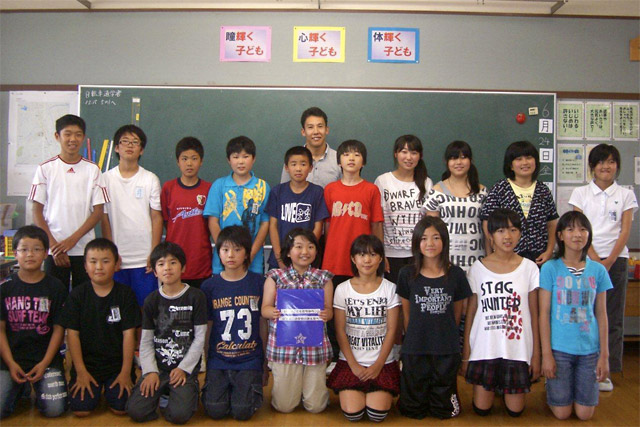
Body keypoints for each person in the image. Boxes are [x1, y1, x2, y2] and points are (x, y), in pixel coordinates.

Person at [568, 144, 638, 391]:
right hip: (586, 259)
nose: (605, 167)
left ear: (617, 166)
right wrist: (595, 259)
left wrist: (608, 261)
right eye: (600, 162)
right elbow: (577, 229)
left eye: (610, 162)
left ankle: (607, 371)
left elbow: (625, 231)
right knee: (582, 315)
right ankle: (581, 366)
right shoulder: (580, 193)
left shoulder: (626, 194)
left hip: (616, 261)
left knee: (613, 316)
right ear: (592, 167)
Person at [463, 208, 541, 417]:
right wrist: (466, 352)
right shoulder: (477, 268)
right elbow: (471, 312)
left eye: (513, 230)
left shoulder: (529, 268)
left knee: (515, 411)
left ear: (520, 233)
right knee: (481, 409)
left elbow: (534, 314)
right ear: (490, 235)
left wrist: (536, 355)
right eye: (501, 231)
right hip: (485, 348)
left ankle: (503, 390)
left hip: (517, 349)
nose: (507, 236)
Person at [396, 216, 471, 419]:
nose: (430, 243)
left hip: (445, 347)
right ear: (416, 242)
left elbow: (457, 314)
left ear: (444, 241)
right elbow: (406, 314)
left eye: (436, 237)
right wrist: (410, 340)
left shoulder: (456, 274)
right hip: (415, 346)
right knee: (412, 409)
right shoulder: (406, 273)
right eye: (424, 238)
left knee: (444, 410)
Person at [539, 211, 612, 420]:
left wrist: (604, 356)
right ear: (560, 235)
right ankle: (552, 388)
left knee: (584, 414)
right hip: (559, 349)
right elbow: (544, 314)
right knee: (562, 414)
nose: (577, 234)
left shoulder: (598, 270)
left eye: (582, 229)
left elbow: (602, 314)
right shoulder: (550, 268)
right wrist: (546, 355)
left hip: (589, 350)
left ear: (589, 234)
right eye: (570, 229)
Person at [126, 242, 207, 424]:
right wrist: (150, 371)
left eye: (173, 262)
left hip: (184, 369)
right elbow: (146, 341)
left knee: (178, 415)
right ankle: (164, 393)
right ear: (155, 271)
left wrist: (184, 368)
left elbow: (200, 337)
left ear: (183, 267)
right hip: (159, 368)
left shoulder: (196, 297)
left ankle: (179, 394)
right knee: (135, 411)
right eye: (161, 264)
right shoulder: (151, 300)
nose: (167, 268)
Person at [59, 238, 141, 417]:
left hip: (117, 366)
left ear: (117, 264)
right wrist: (81, 372)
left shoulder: (125, 294)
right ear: (85, 266)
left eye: (105, 261)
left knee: (121, 408)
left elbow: (129, 335)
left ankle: (112, 388)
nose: (99, 267)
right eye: (93, 261)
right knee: (81, 409)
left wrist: (125, 372)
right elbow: (72, 335)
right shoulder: (77, 295)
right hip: (87, 366)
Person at [29, 114, 109, 289]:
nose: (73, 139)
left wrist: (72, 241)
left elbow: (98, 212)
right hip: (54, 250)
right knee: (55, 297)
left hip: (84, 249)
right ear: (57, 136)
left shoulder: (93, 170)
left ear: (84, 137)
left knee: (84, 297)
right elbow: (36, 211)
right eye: (68, 134)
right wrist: (54, 246)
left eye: (78, 134)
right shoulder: (45, 169)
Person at [327, 235, 401, 423]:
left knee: (377, 415)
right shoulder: (342, 289)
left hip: (381, 363)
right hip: (351, 362)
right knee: (353, 414)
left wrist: (378, 365)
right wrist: (353, 365)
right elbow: (340, 331)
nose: (367, 260)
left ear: (381, 258)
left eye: (373, 254)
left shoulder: (390, 288)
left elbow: (392, 330)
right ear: (353, 259)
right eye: (361, 255)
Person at [261, 228, 334, 413]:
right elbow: (265, 309)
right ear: (288, 252)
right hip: (285, 347)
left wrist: (327, 313)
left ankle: (310, 392)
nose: (305, 252)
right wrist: (274, 312)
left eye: (310, 247)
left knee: (316, 407)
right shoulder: (275, 277)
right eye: (299, 247)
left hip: (314, 347)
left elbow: (329, 311)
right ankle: (294, 391)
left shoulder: (324, 278)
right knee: (284, 406)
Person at [0, 225, 68, 419]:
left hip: (46, 360)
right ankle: (19, 389)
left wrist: (45, 362)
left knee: (55, 409)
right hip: (10, 360)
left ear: (46, 253)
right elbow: (1, 330)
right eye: (24, 249)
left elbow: (58, 329)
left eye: (37, 249)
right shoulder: (5, 288)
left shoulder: (56, 287)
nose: (30, 254)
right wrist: (10, 363)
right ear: (15, 253)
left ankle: (35, 388)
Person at [200, 226, 266, 421]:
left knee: (242, 411)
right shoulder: (209, 286)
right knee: (215, 410)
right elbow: (208, 327)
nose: (231, 255)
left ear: (247, 253)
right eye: (225, 249)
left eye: (237, 250)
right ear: (218, 252)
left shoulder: (259, 283)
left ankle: (240, 390)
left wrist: (264, 362)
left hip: (249, 359)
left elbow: (263, 324)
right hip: (219, 359)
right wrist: (207, 359)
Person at [101, 124, 162, 306]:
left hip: (144, 259)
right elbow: (104, 218)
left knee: (146, 309)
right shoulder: (105, 179)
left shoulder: (150, 179)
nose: (130, 145)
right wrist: (111, 253)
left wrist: (154, 252)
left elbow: (156, 217)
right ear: (116, 147)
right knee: (118, 309)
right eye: (125, 141)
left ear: (141, 150)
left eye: (135, 142)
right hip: (117, 259)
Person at [480, 140, 558, 266]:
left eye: (529, 158)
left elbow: (552, 224)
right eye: (519, 159)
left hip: (538, 258)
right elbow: (487, 223)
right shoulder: (500, 188)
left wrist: (549, 251)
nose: (525, 162)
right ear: (511, 165)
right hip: (506, 258)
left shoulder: (543, 190)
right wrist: (491, 255)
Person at [204, 136, 270, 275]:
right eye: (235, 157)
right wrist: (225, 251)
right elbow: (213, 222)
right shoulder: (219, 186)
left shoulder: (263, 187)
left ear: (253, 158)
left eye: (245, 156)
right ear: (229, 160)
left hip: (253, 262)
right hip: (223, 262)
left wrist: (250, 255)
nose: (240, 161)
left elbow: (265, 223)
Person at [323, 139, 384, 285]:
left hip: (363, 258)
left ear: (363, 163)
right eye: (346, 155)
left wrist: (381, 254)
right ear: (339, 162)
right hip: (335, 257)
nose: (351, 158)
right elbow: (327, 225)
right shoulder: (330, 189)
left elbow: (376, 225)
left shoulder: (371, 190)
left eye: (357, 155)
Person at [374, 134, 433, 283]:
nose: (409, 157)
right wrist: (380, 253)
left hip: (418, 253)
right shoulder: (383, 181)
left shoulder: (426, 183)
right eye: (404, 152)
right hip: (390, 254)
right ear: (396, 154)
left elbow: (429, 222)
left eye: (414, 153)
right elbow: (377, 222)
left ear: (420, 156)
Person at [422, 140, 487, 272]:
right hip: (446, 260)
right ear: (447, 162)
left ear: (470, 160)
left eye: (463, 157)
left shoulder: (482, 192)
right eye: (454, 158)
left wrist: (489, 258)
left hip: (477, 260)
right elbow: (431, 231)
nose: (458, 162)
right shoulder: (437, 192)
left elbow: (488, 230)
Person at [161, 136, 213, 288]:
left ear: (201, 161)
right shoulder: (168, 188)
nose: (189, 163)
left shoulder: (209, 189)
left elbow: (212, 223)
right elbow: (165, 221)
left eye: (194, 158)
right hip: (173, 262)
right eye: (184, 159)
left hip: (201, 262)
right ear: (178, 161)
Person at [266, 146, 329, 270]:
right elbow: (273, 226)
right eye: (293, 164)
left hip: (307, 259)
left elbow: (318, 227)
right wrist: (279, 258)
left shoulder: (317, 192)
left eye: (303, 164)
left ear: (310, 168)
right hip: (280, 258)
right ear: (286, 168)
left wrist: (306, 252)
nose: (298, 168)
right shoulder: (277, 192)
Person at [280, 107, 342, 188]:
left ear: (326, 130)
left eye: (320, 126)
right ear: (303, 132)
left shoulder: (339, 159)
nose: (316, 132)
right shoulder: (292, 159)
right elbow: (284, 191)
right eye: (310, 127)